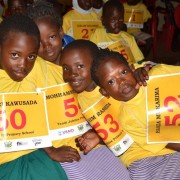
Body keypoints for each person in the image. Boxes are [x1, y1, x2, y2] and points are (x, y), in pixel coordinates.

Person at [60, 39, 152, 179]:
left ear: (95, 65)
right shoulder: (81, 99)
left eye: (79, 66)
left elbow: (150, 71)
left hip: (156, 144)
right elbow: (119, 130)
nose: (72, 74)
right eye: (66, 68)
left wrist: (142, 71)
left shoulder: (117, 83)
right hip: (135, 157)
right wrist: (98, 136)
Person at [90, 48, 180, 180]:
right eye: (111, 81)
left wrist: (152, 66)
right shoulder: (127, 119)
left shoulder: (157, 75)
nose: (121, 81)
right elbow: (167, 142)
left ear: (132, 69)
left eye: (123, 72)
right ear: (105, 92)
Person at [0, 14, 68, 180]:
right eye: (15, 55)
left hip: (36, 153)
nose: (23, 65)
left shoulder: (37, 68)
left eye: (31, 56)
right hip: (4, 161)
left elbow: (71, 77)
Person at [90, 0, 144, 65]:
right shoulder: (97, 34)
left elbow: (139, 61)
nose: (117, 23)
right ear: (103, 20)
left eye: (120, 19)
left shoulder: (128, 38)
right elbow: (90, 56)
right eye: (113, 20)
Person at [26, 0, 74, 65]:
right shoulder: (35, 69)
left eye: (52, 37)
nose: (47, 46)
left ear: (61, 33)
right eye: (39, 42)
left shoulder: (75, 59)